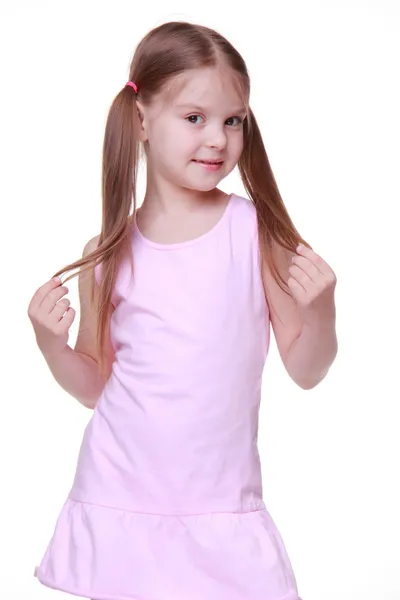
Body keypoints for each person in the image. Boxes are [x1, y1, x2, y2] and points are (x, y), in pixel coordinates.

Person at [27, 20, 338, 600]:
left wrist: (321, 312)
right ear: (142, 119)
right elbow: (96, 384)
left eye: (232, 120)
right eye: (194, 118)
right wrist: (52, 346)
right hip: (119, 496)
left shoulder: (254, 234)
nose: (218, 139)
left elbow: (306, 369)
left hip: (220, 506)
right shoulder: (107, 254)